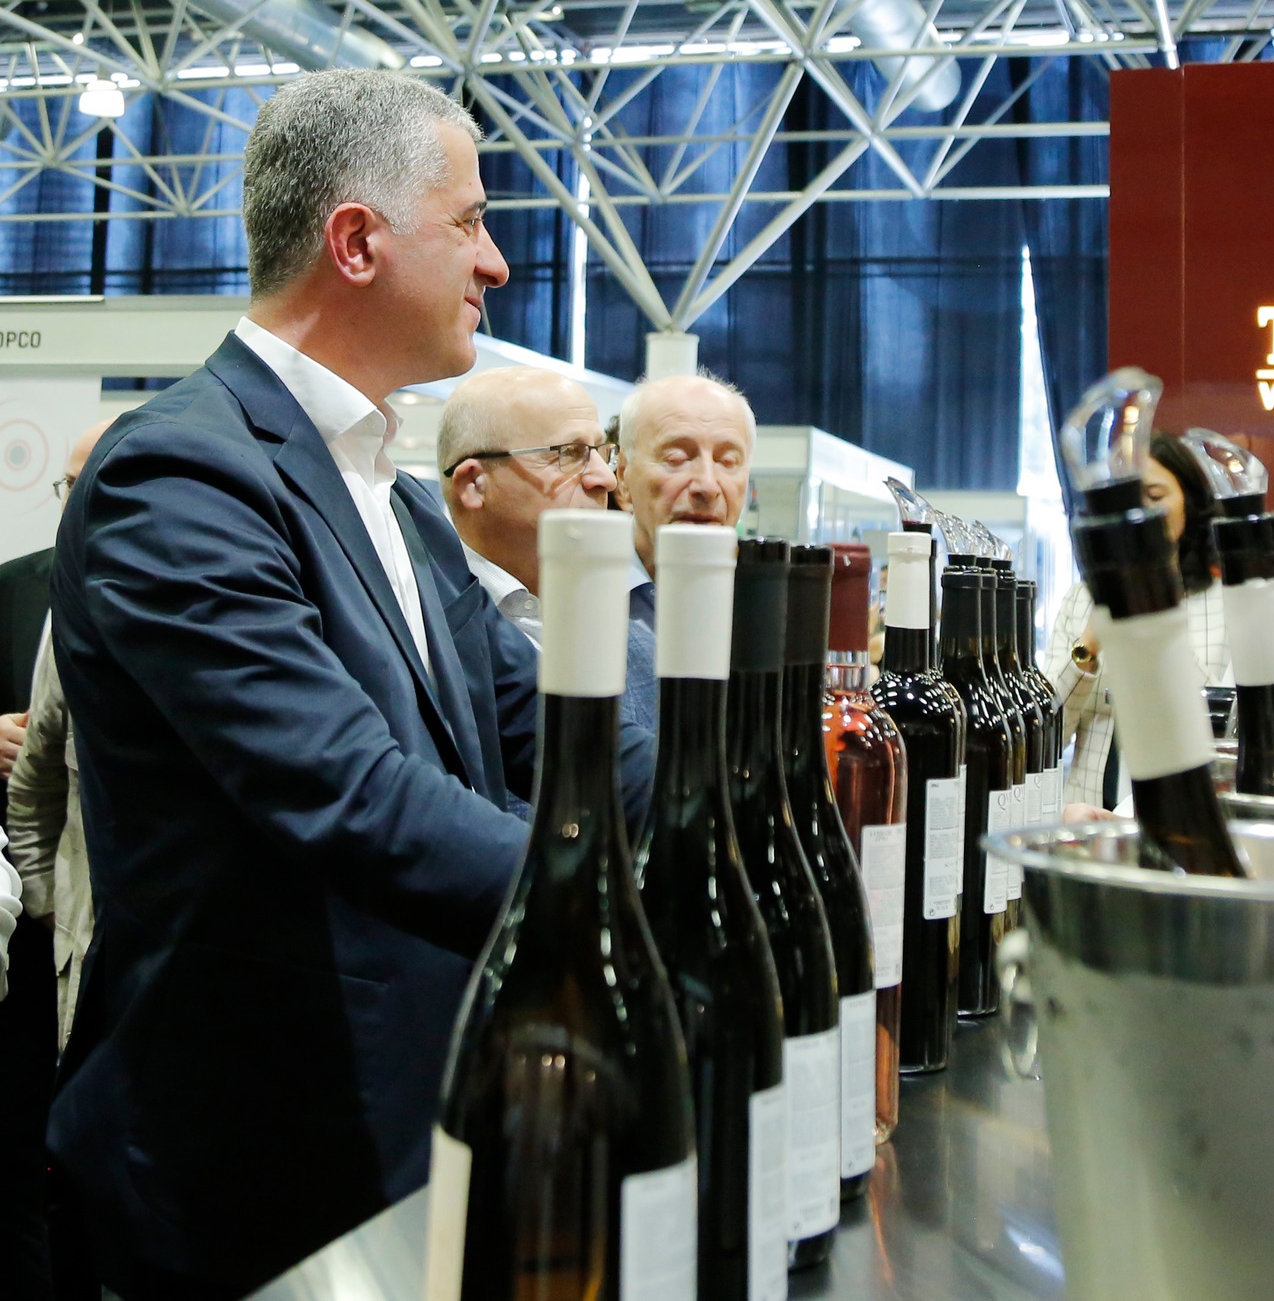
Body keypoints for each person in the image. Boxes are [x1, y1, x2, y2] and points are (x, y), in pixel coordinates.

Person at [46, 69, 653, 1301]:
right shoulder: (179, 477)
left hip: (406, 1116)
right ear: (358, 242)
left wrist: (710, 797)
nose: (496, 262)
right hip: (251, 1165)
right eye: (470, 221)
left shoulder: (400, 499)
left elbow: (546, 733)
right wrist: (615, 909)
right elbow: (349, 791)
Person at [1049, 432, 1227, 811]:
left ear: (1190, 503)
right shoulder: (1081, 598)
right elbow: (1047, 734)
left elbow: (1221, 729)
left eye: (1155, 496)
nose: (1140, 512)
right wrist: (1088, 646)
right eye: (1128, 499)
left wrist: (1152, 602)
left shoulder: (1223, 603)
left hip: (1185, 812)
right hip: (1087, 818)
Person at [10, 420, 115, 1052]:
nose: (79, 503)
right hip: (41, 912)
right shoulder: (18, 589)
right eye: (70, 485)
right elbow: (35, 781)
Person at [437, 367, 621, 645]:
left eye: (601, 452)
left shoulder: (617, 611)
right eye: (570, 453)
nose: (607, 479)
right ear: (474, 483)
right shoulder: (426, 620)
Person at [613, 372, 755, 625]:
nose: (707, 485)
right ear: (624, 476)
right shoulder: (579, 598)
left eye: (727, 461)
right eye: (676, 458)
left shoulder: (765, 607)